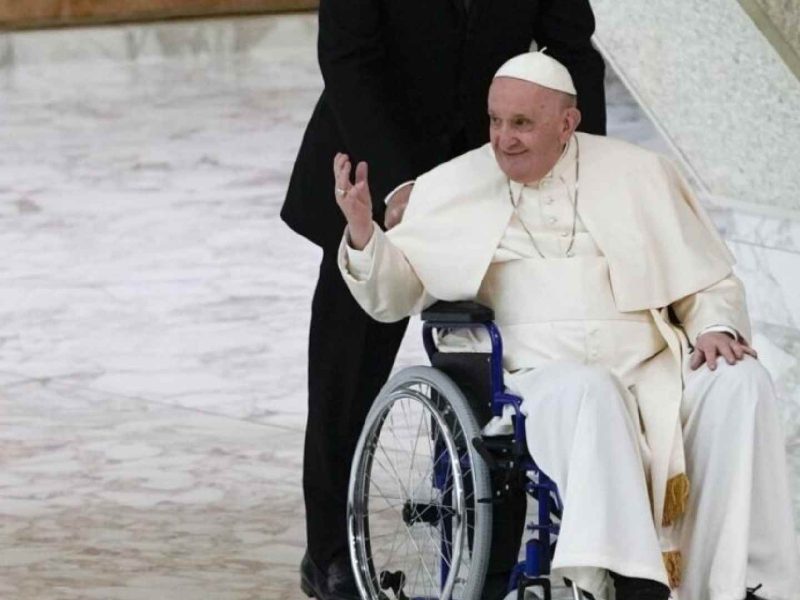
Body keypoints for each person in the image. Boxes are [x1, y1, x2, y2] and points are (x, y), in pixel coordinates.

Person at [333, 51, 800, 600]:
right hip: (539, 376)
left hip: (656, 367)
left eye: (523, 124)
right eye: (496, 121)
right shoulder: (453, 186)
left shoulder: (637, 174)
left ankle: (740, 583)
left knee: (739, 381)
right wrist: (365, 235)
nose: (504, 139)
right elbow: (395, 294)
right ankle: (629, 582)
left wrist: (715, 326)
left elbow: (705, 283)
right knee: (591, 391)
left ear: (567, 124)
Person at [282, 2, 606, 598]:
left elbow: (573, 49)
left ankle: (488, 551)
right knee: (345, 376)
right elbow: (348, 57)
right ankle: (329, 551)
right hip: (372, 162)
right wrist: (404, 183)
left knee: (490, 364)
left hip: (490, 169)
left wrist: (589, 169)